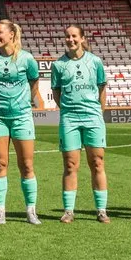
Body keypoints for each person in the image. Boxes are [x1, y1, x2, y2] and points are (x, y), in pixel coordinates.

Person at [0, 17, 49, 225]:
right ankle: (0, 210)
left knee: (26, 165)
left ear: (11, 34)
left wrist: (24, 102)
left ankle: (31, 210)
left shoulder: (27, 59)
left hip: (22, 117)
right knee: (0, 163)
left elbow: (34, 83)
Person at [47, 24, 108, 222]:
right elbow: (56, 92)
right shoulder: (58, 65)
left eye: (74, 36)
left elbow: (101, 89)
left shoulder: (95, 62)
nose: (70, 39)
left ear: (82, 38)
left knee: (97, 163)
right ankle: (69, 211)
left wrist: (99, 111)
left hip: (92, 117)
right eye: (67, 36)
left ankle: (101, 210)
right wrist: (66, 109)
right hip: (70, 118)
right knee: (71, 164)